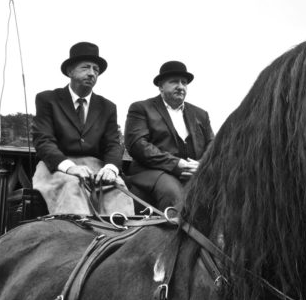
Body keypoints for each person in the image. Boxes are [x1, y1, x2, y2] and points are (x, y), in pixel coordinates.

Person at [31, 41, 134, 216]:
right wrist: (70, 167)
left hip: (95, 168)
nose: (92, 73)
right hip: (56, 168)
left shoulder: (108, 107)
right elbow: (43, 141)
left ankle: (120, 240)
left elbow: (113, 144)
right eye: (86, 68)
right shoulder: (48, 99)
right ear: (70, 71)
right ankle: (78, 239)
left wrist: (110, 168)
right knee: (72, 185)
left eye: (96, 70)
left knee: (118, 188)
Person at [124, 60, 214, 209]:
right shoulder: (141, 108)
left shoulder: (200, 114)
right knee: (174, 194)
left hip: (194, 172)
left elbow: (213, 145)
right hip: (151, 172)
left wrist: (202, 165)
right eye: (174, 82)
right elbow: (137, 145)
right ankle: (173, 232)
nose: (180, 87)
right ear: (160, 87)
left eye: (184, 83)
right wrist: (177, 165)